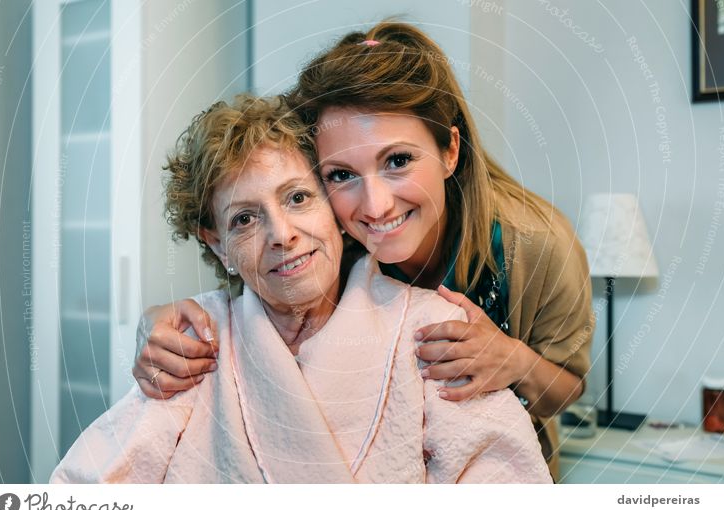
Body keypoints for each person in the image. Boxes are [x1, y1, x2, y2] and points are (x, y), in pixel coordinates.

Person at [132, 22, 593, 480]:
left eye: (398, 161)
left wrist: (514, 360)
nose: (375, 207)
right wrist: (158, 323)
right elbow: (252, 287)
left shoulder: (537, 246)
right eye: (340, 174)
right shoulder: (330, 232)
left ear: (450, 149)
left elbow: (569, 387)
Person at [50, 94, 551, 483]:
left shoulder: (428, 328)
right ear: (218, 243)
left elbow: (505, 483)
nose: (281, 234)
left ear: (333, 207)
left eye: (297, 197)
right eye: (245, 219)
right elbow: (94, 484)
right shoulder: (195, 341)